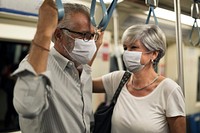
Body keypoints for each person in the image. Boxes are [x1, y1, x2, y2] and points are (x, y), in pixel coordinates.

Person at [12, 0, 103, 133]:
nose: (89, 42)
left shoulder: (82, 69)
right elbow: (27, 107)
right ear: (59, 35)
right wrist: (43, 32)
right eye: (84, 35)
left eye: (92, 36)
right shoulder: (39, 65)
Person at [93, 24, 186, 133]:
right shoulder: (118, 79)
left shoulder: (169, 90)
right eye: (125, 48)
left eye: (133, 47)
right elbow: (82, 82)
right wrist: (94, 48)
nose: (127, 53)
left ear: (154, 54)